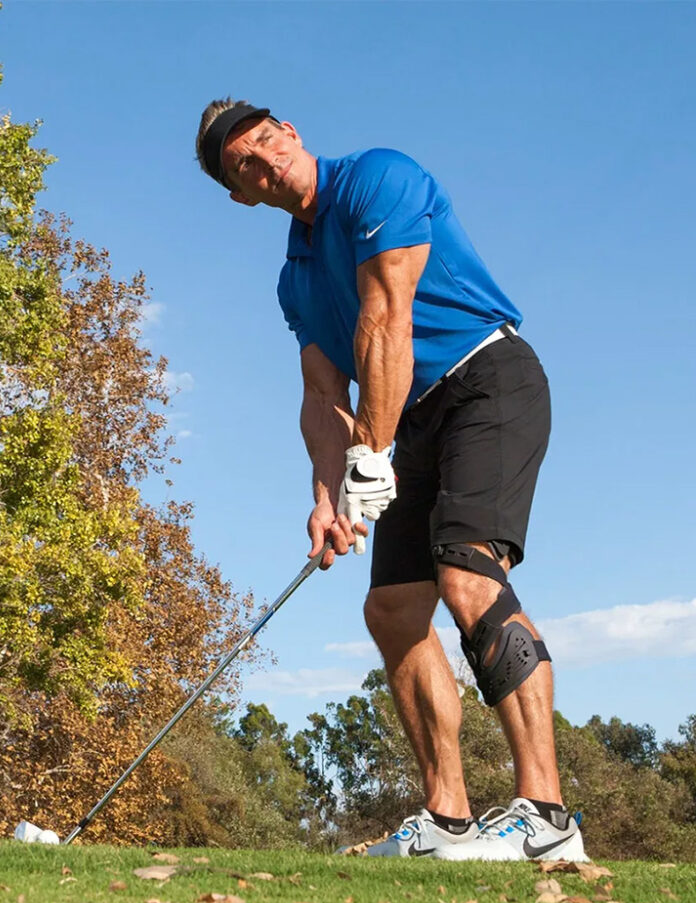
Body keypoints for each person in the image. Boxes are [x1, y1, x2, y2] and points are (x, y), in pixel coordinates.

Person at [195, 99, 588, 861]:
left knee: (467, 574)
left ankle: (547, 816)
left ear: (294, 136)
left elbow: (388, 320)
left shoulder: (378, 177)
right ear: (240, 194)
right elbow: (320, 396)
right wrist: (327, 495)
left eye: (268, 140)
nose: (266, 159)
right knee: (393, 608)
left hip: (488, 380)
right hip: (407, 418)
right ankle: (448, 821)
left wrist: (370, 456)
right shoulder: (295, 278)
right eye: (245, 162)